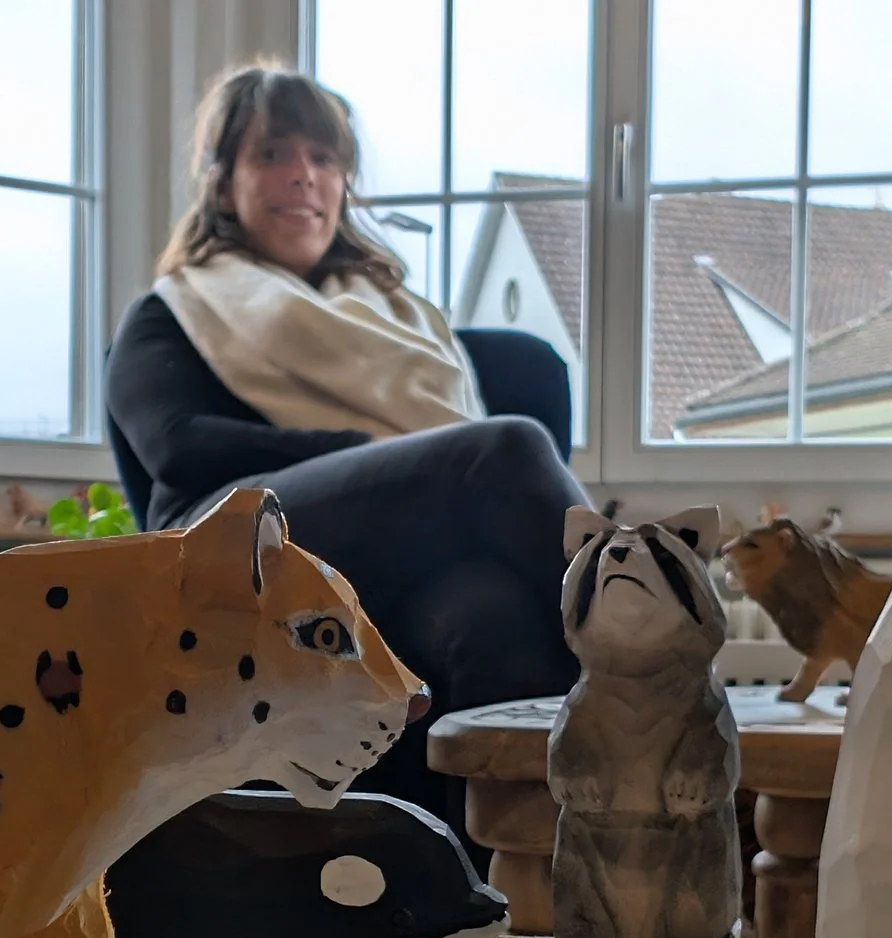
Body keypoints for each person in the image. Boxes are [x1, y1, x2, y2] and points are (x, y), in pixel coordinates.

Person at [106, 62, 589, 840]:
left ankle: (496, 887)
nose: (303, 176)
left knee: (489, 619)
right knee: (502, 450)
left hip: (400, 572)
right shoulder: (175, 312)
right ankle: (665, 658)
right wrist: (371, 452)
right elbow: (179, 447)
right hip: (232, 552)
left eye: (323, 159)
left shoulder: (398, 321)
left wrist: (406, 469)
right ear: (222, 181)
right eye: (273, 155)